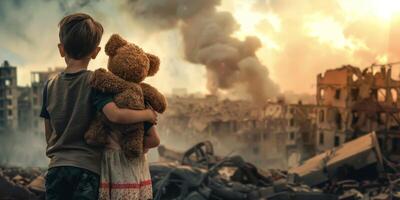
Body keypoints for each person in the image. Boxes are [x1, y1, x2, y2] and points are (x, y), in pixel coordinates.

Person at [40, 13, 157, 200]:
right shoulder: (96, 81)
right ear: (96, 52)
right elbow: (115, 115)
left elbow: (49, 132)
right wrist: (147, 115)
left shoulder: (49, 85)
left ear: (61, 49)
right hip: (87, 169)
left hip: (56, 167)